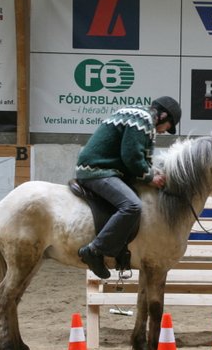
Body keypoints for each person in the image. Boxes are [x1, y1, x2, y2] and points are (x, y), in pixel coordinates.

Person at [75, 96, 181, 280]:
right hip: (97, 171)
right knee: (132, 205)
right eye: (168, 126)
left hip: (107, 170)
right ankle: (94, 250)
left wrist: (153, 172)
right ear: (163, 115)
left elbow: (141, 158)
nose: (165, 131)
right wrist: (150, 177)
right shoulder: (142, 119)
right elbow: (131, 157)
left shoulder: (141, 116)